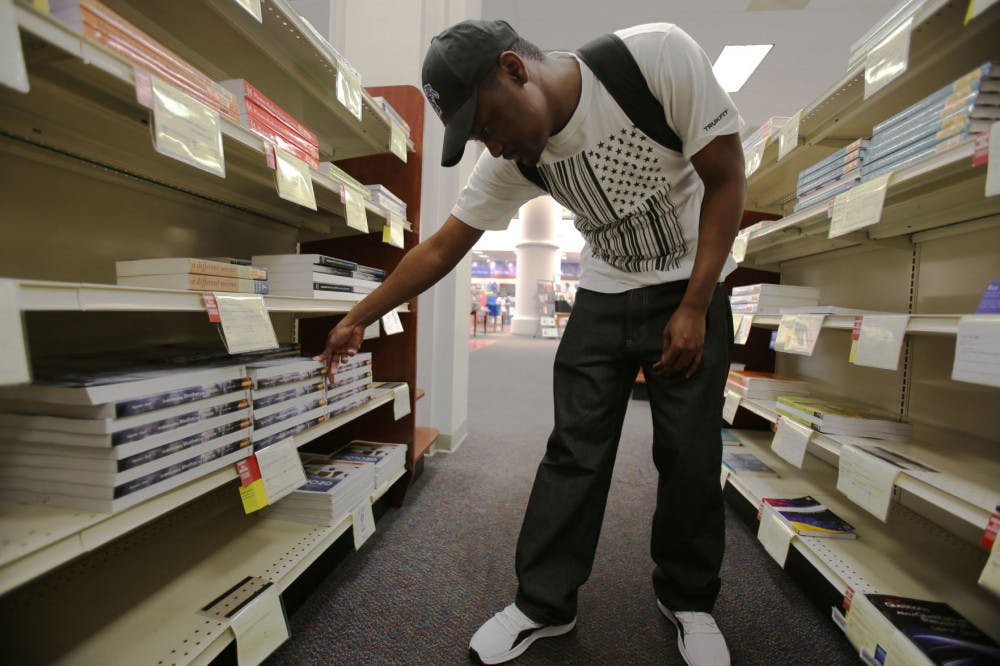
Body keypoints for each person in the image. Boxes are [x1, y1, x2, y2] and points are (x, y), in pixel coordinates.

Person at [320, 18, 744, 666]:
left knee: (687, 451)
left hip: (692, 281)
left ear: (516, 71)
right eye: (479, 137)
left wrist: (694, 305)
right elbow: (439, 248)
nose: (493, 146)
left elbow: (726, 178)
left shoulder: (653, 60)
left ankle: (689, 600)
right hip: (603, 292)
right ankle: (544, 603)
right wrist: (359, 315)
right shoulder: (518, 161)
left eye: (488, 125)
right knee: (573, 450)